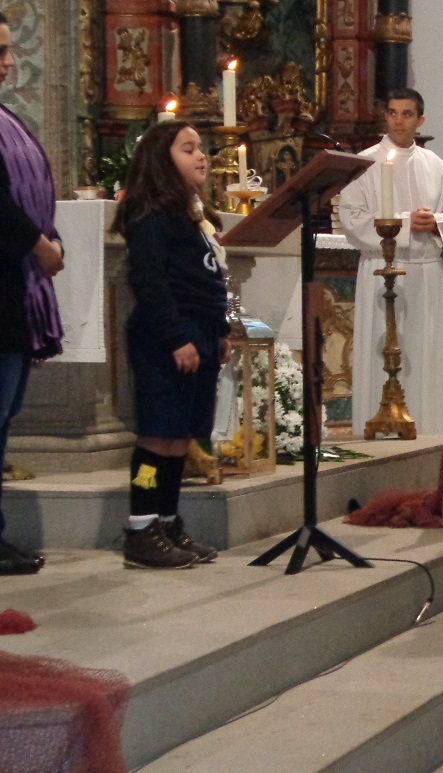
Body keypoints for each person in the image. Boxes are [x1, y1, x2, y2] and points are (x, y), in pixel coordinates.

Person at [111, 120, 229, 569]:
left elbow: (203, 279)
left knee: (180, 439)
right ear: (162, 161)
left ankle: (166, 519)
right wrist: (177, 336)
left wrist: (218, 332)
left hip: (198, 332)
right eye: (188, 148)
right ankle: (141, 526)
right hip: (166, 336)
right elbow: (151, 280)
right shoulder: (151, 213)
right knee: (157, 438)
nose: (201, 156)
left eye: (201, 148)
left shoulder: (190, 215)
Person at [337, 87, 443, 436]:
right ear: (385, 116)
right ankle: (381, 434)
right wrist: (405, 224)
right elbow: (352, 219)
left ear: (420, 120)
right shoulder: (364, 163)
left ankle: (429, 435)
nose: (398, 121)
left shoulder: (435, 165)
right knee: (383, 354)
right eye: (392, 113)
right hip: (382, 269)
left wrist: (434, 221)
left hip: (426, 274)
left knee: (424, 356)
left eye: (407, 114)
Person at [0, 10, 64, 575]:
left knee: (3, 419)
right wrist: (38, 245)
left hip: (13, 295)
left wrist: (51, 237)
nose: (8, 61)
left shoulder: (7, 121)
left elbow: (31, 193)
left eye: (8, 49)